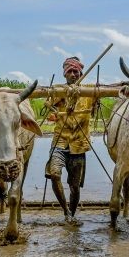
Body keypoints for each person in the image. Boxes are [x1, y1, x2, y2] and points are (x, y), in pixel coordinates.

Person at [44, 56, 100, 223]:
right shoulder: (57, 90)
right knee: (54, 174)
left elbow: (104, 92)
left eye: (77, 71)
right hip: (59, 142)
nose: (74, 74)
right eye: (71, 71)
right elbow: (48, 105)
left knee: (74, 187)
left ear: (81, 73)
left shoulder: (90, 91)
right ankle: (66, 211)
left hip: (79, 143)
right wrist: (59, 98)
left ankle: (71, 215)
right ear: (65, 74)